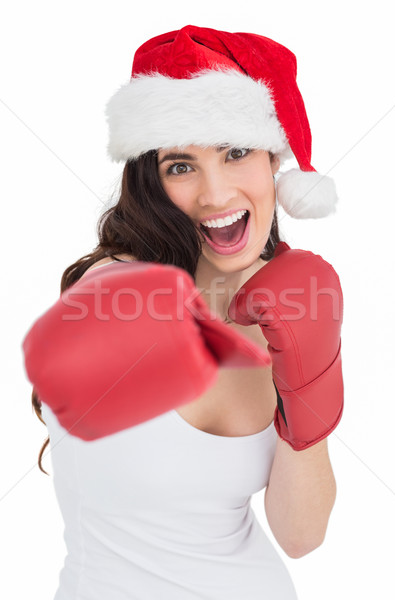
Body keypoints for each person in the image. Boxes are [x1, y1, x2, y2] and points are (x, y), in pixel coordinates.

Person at [22, 25, 344, 600]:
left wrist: (312, 378)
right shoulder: (111, 292)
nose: (215, 194)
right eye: (181, 165)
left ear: (274, 161)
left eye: (236, 152)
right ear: (152, 182)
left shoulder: (296, 303)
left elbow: (301, 535)